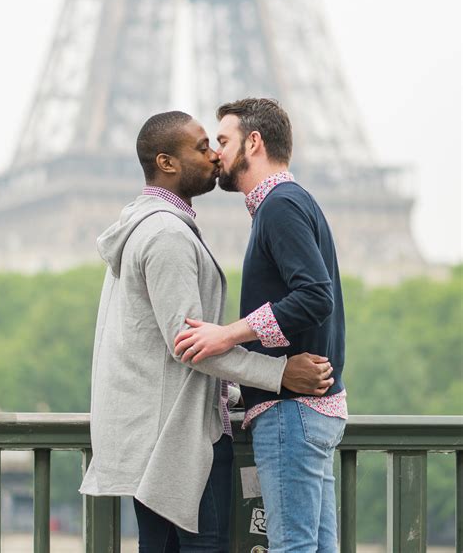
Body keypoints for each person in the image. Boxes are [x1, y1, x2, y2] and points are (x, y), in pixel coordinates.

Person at [79, 110, 335, 553]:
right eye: (202, 147)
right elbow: (190, 344)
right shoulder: (166, 235)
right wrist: (278, 374)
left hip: (157, 436)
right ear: (167, 163)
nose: (215, 155)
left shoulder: (149, 225)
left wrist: (228, 391)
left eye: (217, 142)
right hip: (177, 442)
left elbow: (169, 345)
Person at [174, 98, 347, 552]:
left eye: (225, 142)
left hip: (290, 412)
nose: (217, 154)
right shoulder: (291, 202)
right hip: (310, 410)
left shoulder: (279, 206)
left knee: (292, 547)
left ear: (255, 142)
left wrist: (226, 334)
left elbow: (314, 295)